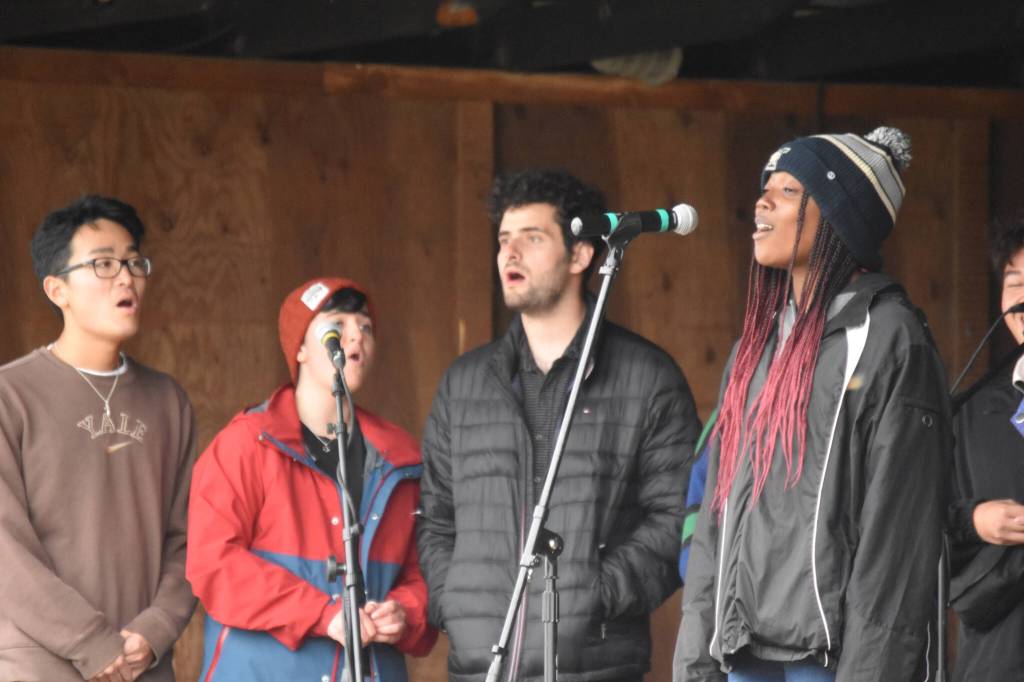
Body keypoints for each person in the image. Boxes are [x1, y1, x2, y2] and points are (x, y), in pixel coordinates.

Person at [675, 128, 951, 681]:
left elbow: (898, 538)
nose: (763, 200)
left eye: (789, 190)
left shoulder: (891, 337)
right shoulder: (756, 347)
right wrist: (695, 662)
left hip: (832, 660)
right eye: (764, 188)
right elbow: (717, 519)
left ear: (841, 217)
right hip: (742, 650)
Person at [417, 168, 700, 681]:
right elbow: (435, 518)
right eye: (504, 240)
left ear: (581, 255)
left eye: (533, 238)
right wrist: (454, 600)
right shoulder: (462, 385)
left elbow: (676, 518)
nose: (510, 253)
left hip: (593, 665)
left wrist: (592, 593)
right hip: (481, 667)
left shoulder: (648, 377)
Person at [186, 277, 436, 681]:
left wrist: (405, 611)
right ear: (299, 348)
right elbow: (213, 563)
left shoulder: (402, 460)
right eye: (338, 324)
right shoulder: (247, 444)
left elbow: (426, 571)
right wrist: (321, 612)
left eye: (366, 327)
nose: (356, 336)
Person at [0, 195, 197, 681]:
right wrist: (91, 643)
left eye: (133, 262)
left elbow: (191, 540)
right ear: (57, 289)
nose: (127, 277)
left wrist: (153, 632)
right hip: (41, 666)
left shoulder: (167, 401)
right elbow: (5, 552)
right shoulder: (10, 394)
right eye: (104, 264)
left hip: (143, 665)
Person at [947, 219, 1024, 681]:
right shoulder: (972, 411)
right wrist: (975, 521)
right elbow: (921, 524)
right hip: (998, 661)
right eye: (1014, 284)